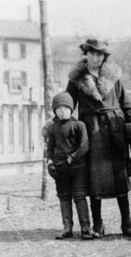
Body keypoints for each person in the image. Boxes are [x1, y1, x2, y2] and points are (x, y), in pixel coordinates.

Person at [66, 39, 131, 238]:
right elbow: (67, 104)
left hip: (115, 129)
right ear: (85, 54)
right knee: (93, 178)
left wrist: (130, 126)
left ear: (104, 57)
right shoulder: (76, 79)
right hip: (90, 130)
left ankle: (127, 222)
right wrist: (64, 126)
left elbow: (126, 103)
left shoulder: (114, 76)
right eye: (92, 53)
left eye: (100, 55)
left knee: (120, 177)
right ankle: (98, 224)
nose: (95, 58)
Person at [46, 92, 93, 240]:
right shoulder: (53, 128)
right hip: (60, 169)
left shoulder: (79, 125)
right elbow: (50, 148)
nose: (62, 111)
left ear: (71, 109)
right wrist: (50, 162)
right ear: (55, 111)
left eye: (65, 108)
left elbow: (84, 146)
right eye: (58, 109)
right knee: (64, 197)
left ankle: (86, 228)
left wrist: (71, 158)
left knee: (79, 197)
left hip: (77, 168)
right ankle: (67, 228)